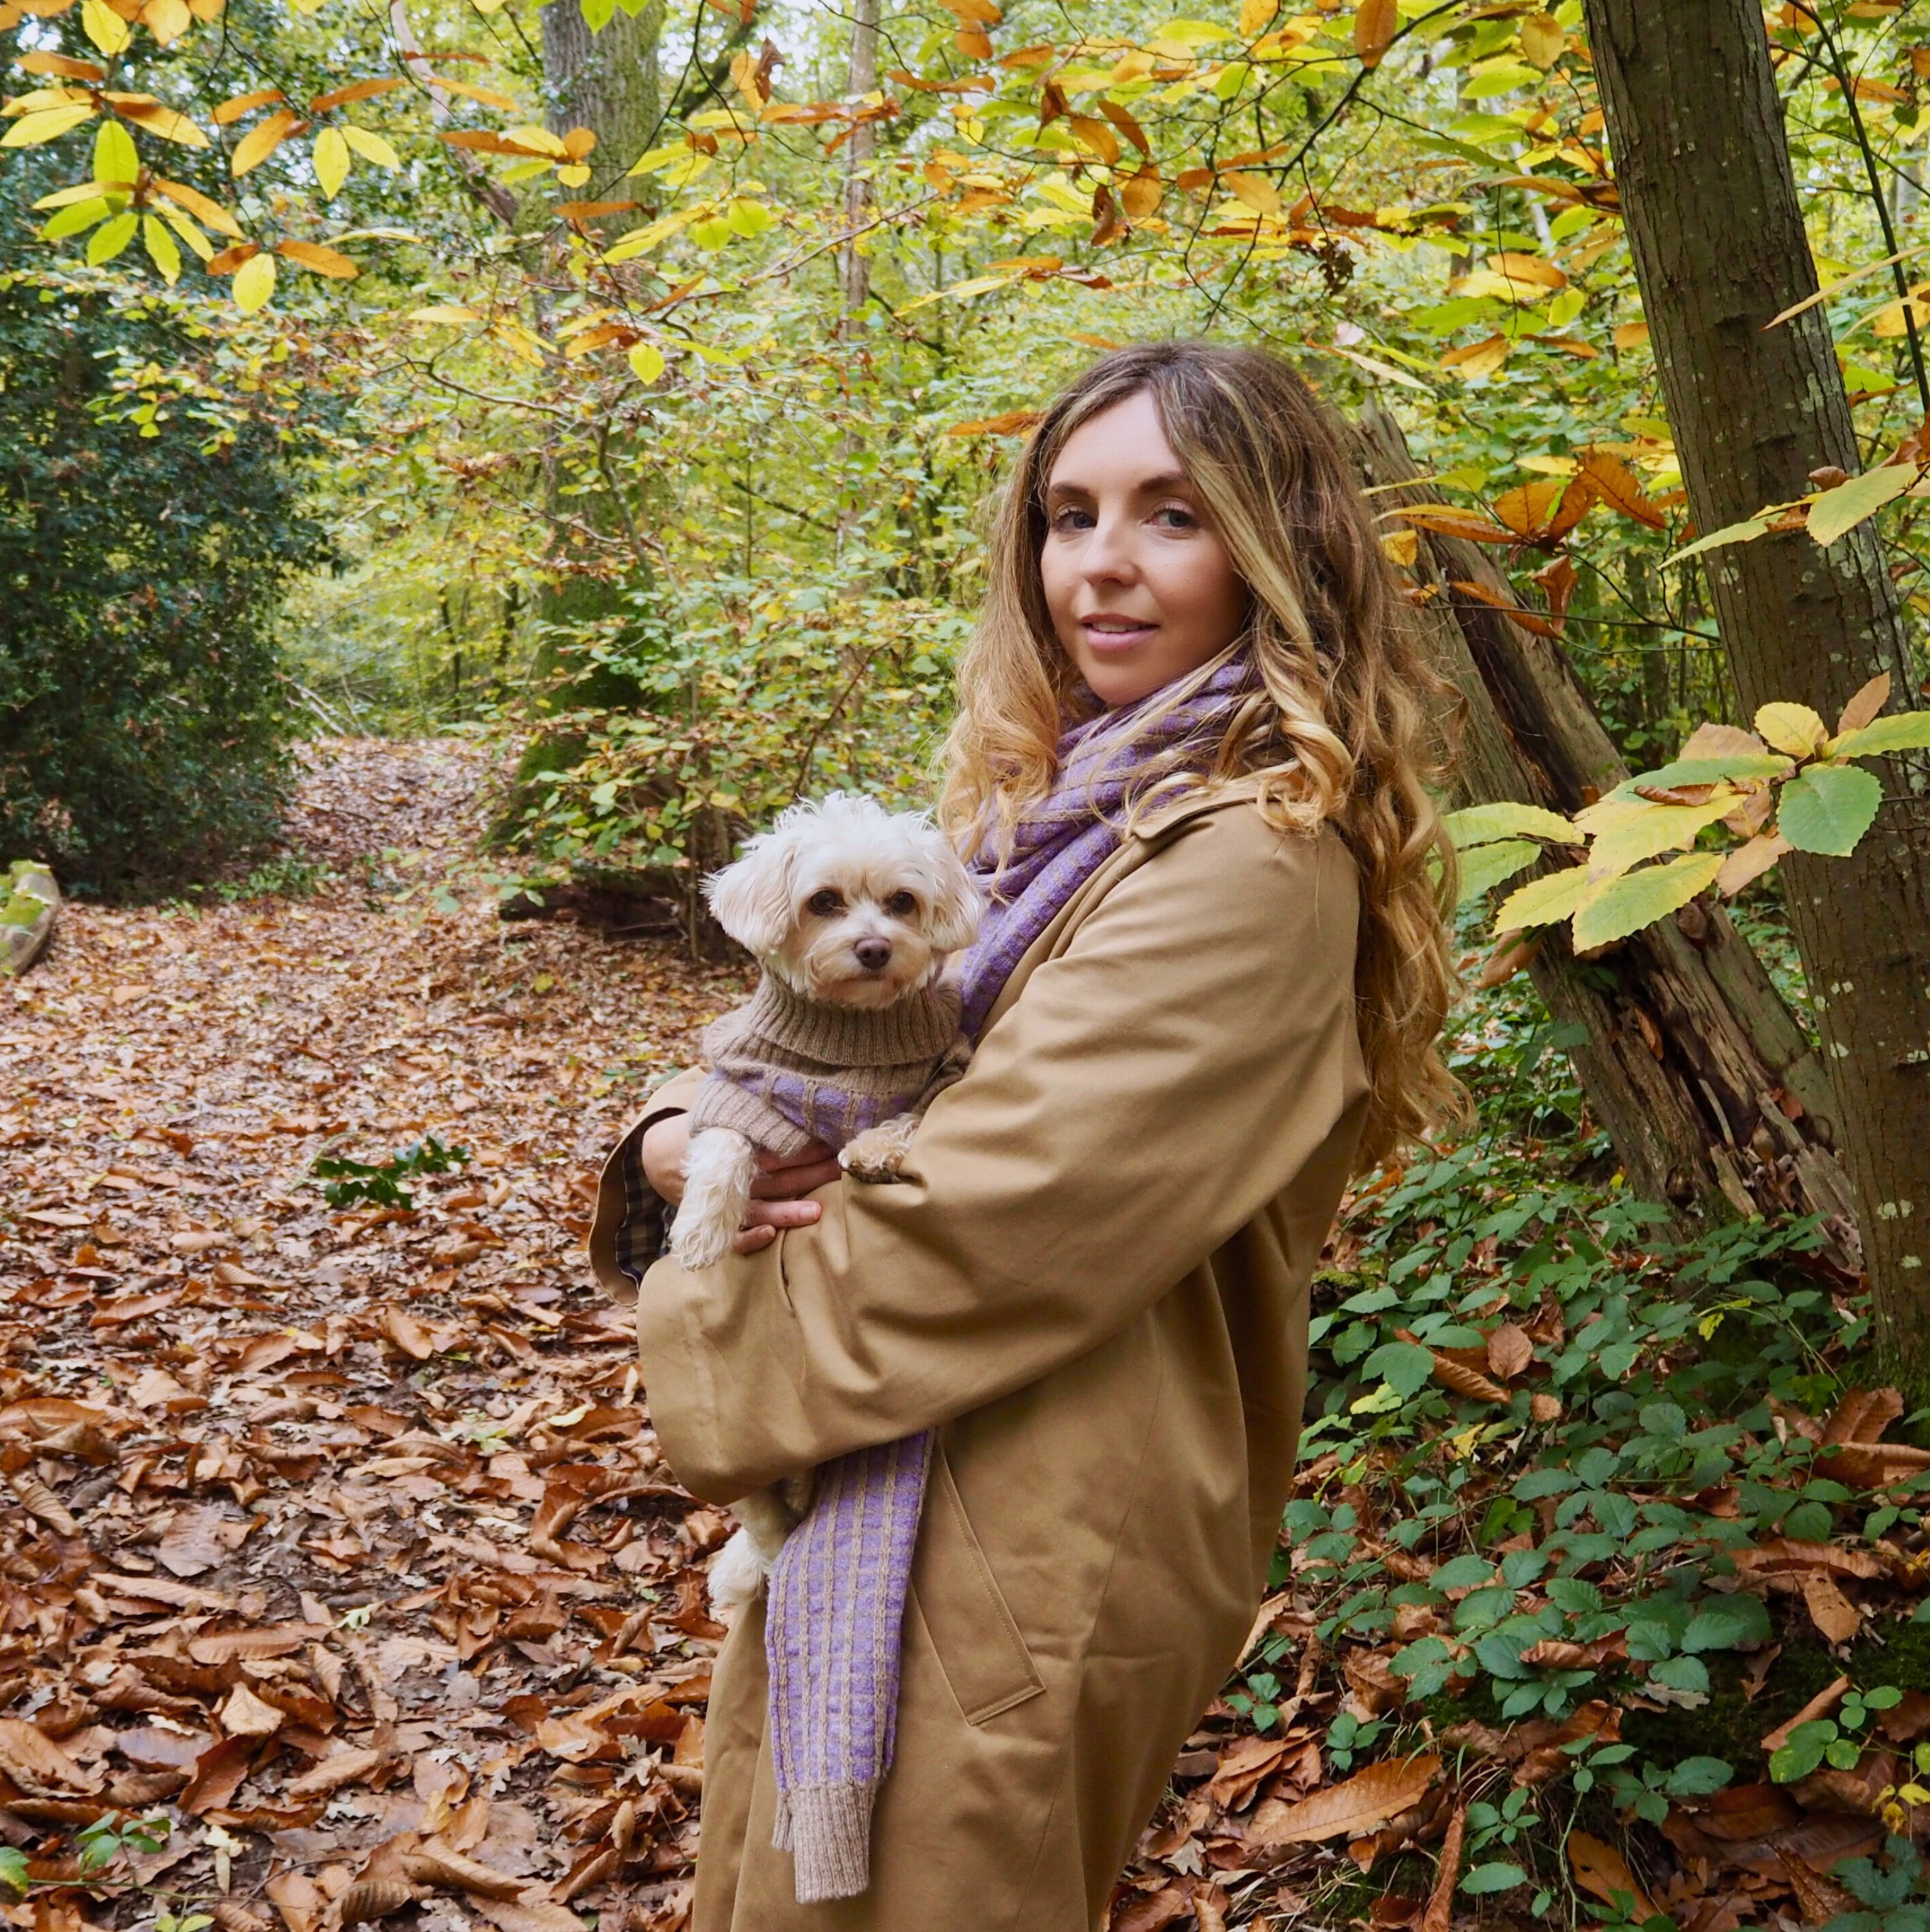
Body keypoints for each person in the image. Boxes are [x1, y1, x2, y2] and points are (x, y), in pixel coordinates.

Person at [589, 341, 1463, 1932]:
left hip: (1040, 1520)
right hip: (914, 1466)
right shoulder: (1050, 815)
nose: (1101, 567)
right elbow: (838, 1052)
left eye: (1171, 516)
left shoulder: (1247, 863)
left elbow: (980, 1215)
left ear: (1284, 554)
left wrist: (696, 1317)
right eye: (1069, 515)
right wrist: (666, 1138)